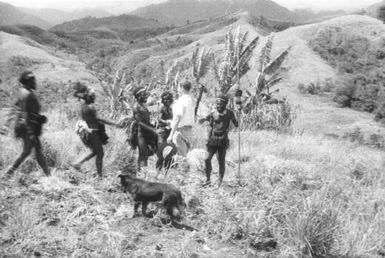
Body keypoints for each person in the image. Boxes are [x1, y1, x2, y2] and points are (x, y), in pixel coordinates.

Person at [4, 71, 50, 179]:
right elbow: (25, 115)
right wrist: (31, 133)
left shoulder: (22, 91)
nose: (35, 82)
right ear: (27, 81)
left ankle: (49, 176)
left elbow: (15, 108)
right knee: (27, 151)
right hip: (28, 127)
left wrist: (7, 124)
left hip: (28, 126)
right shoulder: (28, 94)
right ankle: (7, 174)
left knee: (37, 151)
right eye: (32, 80)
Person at [71, 83, 122, 178]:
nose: (95, 97)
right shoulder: (89, 107)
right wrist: (115, 124)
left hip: (90, 132)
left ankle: (78, 164)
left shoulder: (85, 106)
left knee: (95, 151)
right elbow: (99, 119)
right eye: (93, 96)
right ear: (89, 97)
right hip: (92, 133)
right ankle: (99, 175)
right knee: (100, 153)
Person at [199, 94, 238, 187]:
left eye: (220, 104)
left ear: (225, 104)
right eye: (217, 104)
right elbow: (205, 122)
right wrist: (201, 120)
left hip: (223, 140)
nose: (218, 106)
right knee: (207, 159)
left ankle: (219, 181)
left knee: (221, 160)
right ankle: (208, 180)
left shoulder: (229, 113)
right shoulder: (213, 114)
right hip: (212, 140)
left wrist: (239, 113)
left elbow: (236, 124)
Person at [132, 86, 158, 172]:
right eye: (144, 94)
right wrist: (153, 130)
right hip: (141, 134)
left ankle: (141, 173)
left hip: (148, 132)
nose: (146, 95)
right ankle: (141, 175)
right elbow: (140, 123)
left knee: (147, 153)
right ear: (138, 96)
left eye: (146, 93)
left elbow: (153, 115)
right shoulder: (136, 107)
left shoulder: (146, 105)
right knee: (143, 154)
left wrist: (154, 123)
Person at [167, 81, 195, 157]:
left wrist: (171, 135)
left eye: (178, 88)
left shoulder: (180, 101)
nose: (177, 90)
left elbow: (178, 118)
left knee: (180, 156)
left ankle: (182, 168)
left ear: (182, 88)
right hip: (189, 131)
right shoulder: (191, 100)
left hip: (180, 131)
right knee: (188, 155)